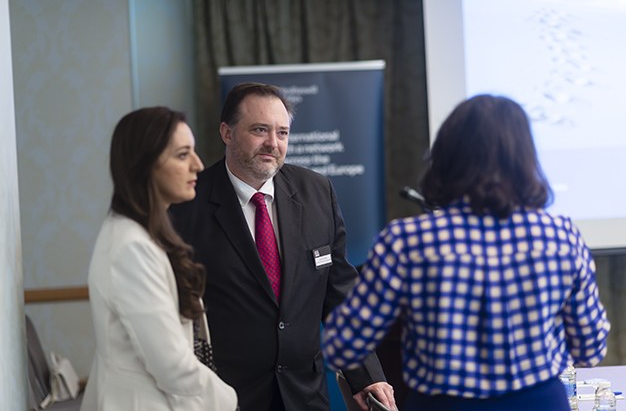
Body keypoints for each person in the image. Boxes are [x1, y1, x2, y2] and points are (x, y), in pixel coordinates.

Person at [322, 94, 611, 411]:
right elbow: (590, 349)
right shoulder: (561, 236)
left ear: (445, 157)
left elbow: (343, 346)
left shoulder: (406, 241)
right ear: (525, 159)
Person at [169, 82, 396, 411]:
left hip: (305, 395)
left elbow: (339, 294)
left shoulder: (317, 192)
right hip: (226, 397)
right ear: (227, 133)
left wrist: (366, 376)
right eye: (260, 130)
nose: (272, 143)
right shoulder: (186, 205)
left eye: (282, 133)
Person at [80, 107, 237, 411]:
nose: (198, 165)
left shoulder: (145, 234)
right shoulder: (131, 248)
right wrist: (230, 402)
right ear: (144, 165)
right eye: (182, 155)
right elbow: (172, 366)